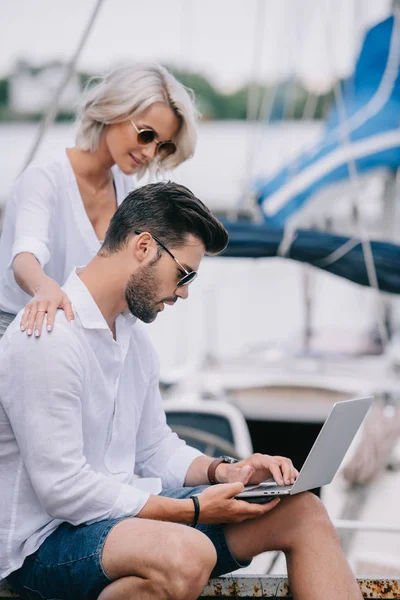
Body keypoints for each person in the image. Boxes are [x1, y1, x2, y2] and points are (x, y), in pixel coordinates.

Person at [0, 182, 362, 600]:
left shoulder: (132, 342)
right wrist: (192, 509)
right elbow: (64, 491)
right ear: (143, 247)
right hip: (43, 544)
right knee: (186, 554)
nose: (184, 292)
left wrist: (227, 472)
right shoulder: (49, 337)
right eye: (184, 273)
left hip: (122, 520)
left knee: (303, 511)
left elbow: (155, 449)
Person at [0, 61, 198, 339]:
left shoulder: (125, 186)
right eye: (146, 134)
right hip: (20, 329)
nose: (150, 152)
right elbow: (24, 258)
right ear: (113, 110)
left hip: (80, 334)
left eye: (161, 145)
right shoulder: (45, 177)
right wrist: (43, 287)